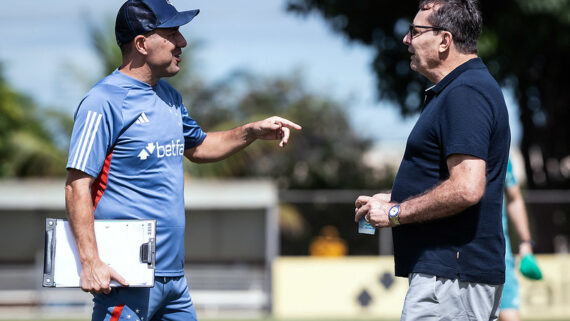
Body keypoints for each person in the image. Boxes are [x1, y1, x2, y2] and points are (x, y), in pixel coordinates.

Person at [64, 0, 301, 320]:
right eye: (172, 33)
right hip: (124, 277)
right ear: (141, 43)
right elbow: (77, 186)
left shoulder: (170, 97)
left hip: (173, 279)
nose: (183, 42)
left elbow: (200, 147)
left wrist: (252, 131)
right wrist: (91, 262)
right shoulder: (103, 101)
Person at [354, 0, 510, 319]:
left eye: (415, 31)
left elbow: (467, 187)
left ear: (444, 40)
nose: (406, 40)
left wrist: (397, 212)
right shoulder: (461, 89)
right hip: (451, 279)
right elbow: (450, 181)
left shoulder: (466, 92)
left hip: (452, 280)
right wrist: (394, 198)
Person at [500, 158, 537, 321]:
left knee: (509, 314)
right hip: (456, 253)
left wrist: (526, 243)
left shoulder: (500, 152)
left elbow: (514, 198)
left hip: (499, 252)